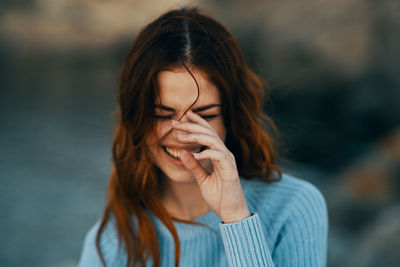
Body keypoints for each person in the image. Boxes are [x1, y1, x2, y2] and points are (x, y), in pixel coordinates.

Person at [78, 7, 328, 267]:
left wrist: (236, 219)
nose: (183, 135)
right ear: (136, 117)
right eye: (163, 114)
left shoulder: (294, 207)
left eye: (205, 116)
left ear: (231, 116)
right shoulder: (112, 243)